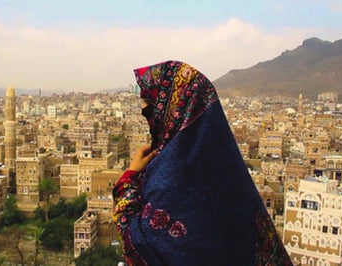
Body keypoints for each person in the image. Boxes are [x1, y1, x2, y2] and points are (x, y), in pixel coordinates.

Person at [113, 61, 292, 265]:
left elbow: (137, 243)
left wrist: (128, 179)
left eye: (148, 100)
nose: (143, 108)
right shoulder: (227, 166)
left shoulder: (170, 176)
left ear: (170, 108)